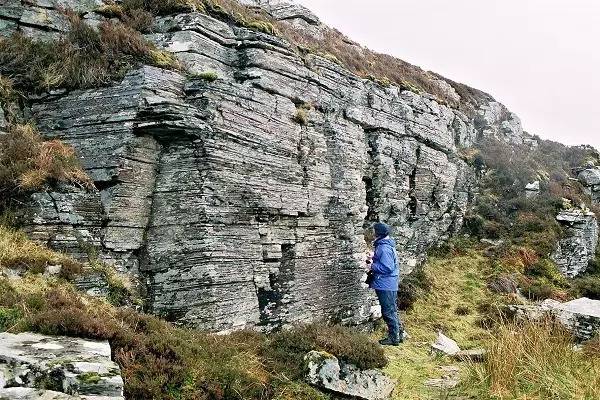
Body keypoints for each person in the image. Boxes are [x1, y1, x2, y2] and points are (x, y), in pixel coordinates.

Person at [367, 222, 404, 346]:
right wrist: (374, 256)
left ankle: (394, 338)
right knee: (392, 309)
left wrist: (371, 265)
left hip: (385, 284)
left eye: (373, 230)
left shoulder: (383, 248)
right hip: (389, 283)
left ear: (378, 233)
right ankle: (400, 334)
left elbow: (388, 267)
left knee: (388, 311)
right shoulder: (386, 245)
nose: (372, 232)